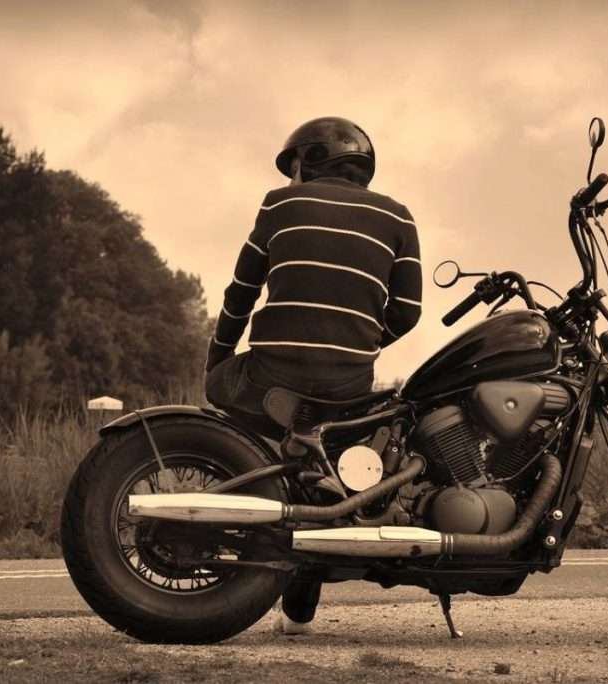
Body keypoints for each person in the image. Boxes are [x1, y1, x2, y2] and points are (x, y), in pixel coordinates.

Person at [204, 116, 422, 634]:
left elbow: (241, 293)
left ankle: (264, 491)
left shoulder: (280, 204)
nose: (291, 177)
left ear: (310, 160)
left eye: (294, 166)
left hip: (271, 373)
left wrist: (216, 361)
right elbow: (408, 312)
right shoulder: (399, 217)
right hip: (346, 384)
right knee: (318, 471)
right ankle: (299, 607)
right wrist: (361, 344)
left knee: (232, 392)